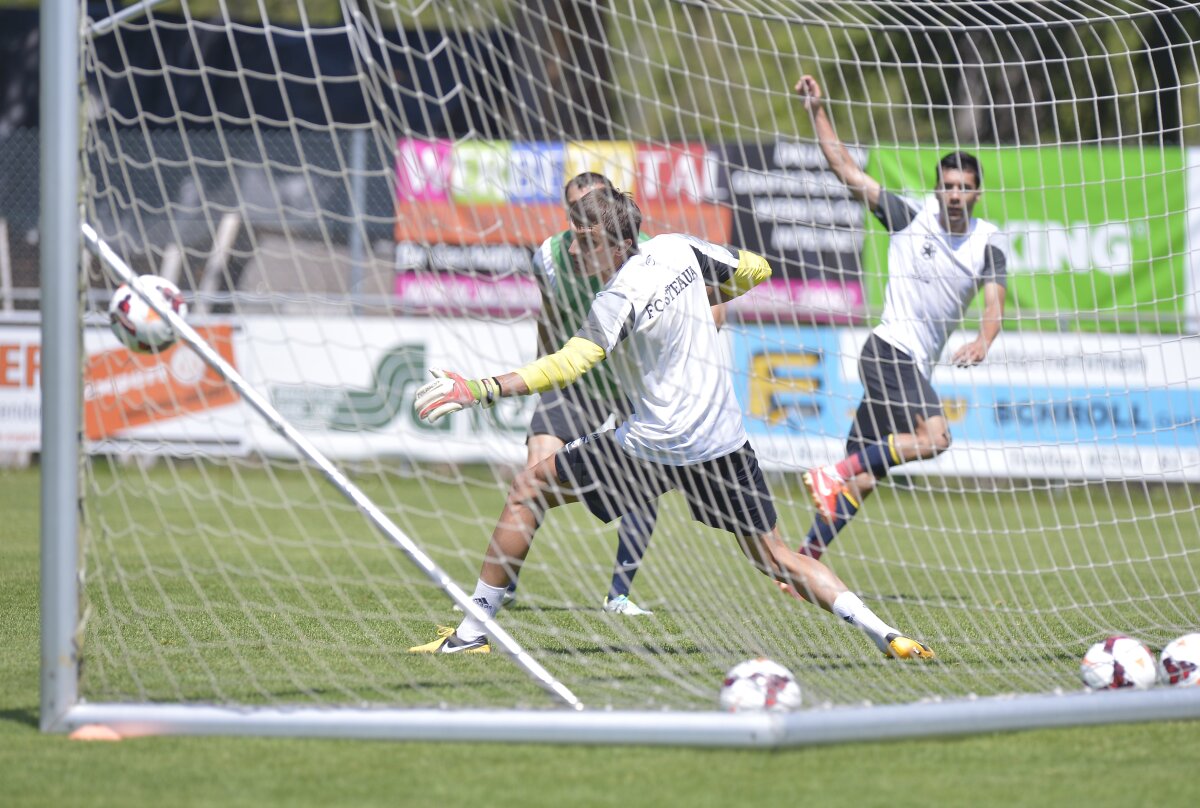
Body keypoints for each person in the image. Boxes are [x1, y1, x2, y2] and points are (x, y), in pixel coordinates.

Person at [408, 187, 934, 659]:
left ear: (616, 243)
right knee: (776, 556)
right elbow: (756, 269)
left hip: (652, 447)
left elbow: (566, 363)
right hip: (722, 443)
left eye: (584, 242)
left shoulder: (617, 297)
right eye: (572, 239)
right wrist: (705, 299)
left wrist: (480, 389)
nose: (573, 251)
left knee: (529, 488)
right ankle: (887, 635)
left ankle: (472, 632)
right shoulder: (678, 248)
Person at [792, 75, 1008, 560]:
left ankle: (805, 559)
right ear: (936, 191)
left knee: (865, 474)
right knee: (936, 438)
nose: (955, 195)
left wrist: (983, 341)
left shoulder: (987, 241)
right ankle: (833, 475)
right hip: (890, 351)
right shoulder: (910, 221)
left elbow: (995, 303)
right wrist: (817, 110)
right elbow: (846, 168)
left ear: (977, 194)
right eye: (948, 186)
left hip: (911, 366)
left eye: (965, 188)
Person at [503, 172, 660, 616]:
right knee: (534, 474)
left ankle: (619, 595)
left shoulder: (647, 252)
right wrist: (539, 372)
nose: (584, 219)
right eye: (576, 211)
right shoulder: (550, 257)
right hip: (575, 382)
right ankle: (504, 585)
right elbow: (548, 313)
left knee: (643, 484)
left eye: (594, 206)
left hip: (633, 384)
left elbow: (707, 293)